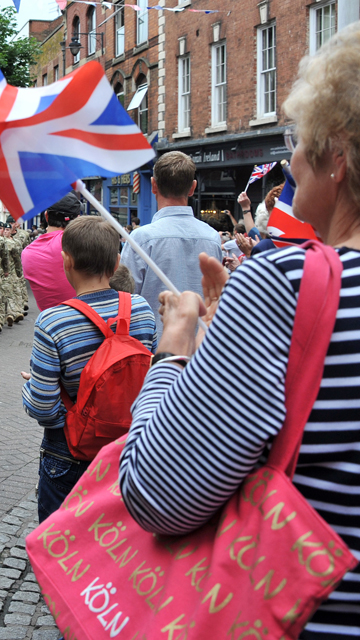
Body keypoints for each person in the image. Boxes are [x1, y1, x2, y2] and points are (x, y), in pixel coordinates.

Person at [119, 25, 360, 637]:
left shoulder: (284, 280)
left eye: (297, 140)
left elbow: (156, 492)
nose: (291, 159)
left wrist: (177, 351)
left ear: (339, 157)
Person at [23, 216, 156, 522]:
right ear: (117, 261)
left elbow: (43, 406)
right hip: (128, 446)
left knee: (62, 549)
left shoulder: (52, 322)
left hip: (69, 453)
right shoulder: (141, 308)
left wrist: (37, 391)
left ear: (66, 261)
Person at [120, 151, 223, 335]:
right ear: (192, 188)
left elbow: (125, 299)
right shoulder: (213, 237)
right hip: (202, 347)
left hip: (154, 349)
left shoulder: (141, 238)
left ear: (153, 185)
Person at [21, 193, 82, 312]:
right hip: (86, 321)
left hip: (49, 323)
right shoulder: (80, 243)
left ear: (46, 216)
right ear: (78, 218)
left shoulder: (28, 253)